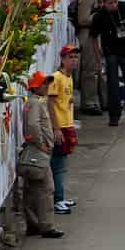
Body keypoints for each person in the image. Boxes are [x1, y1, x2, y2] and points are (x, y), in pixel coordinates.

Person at [20, 71, 63, 239]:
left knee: (32, 189)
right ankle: (46, 226)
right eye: (44, 84)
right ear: (36, 87)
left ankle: (34, 224)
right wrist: (41, 144)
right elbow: (32, 125)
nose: (47, 87)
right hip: (39, 151)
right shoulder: (36, 103)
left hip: (35, 150)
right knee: (46, 188)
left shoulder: (33, 102)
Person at [48, 45, 79, 215]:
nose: (74, 60)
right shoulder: (56, 78)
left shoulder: (68, 78)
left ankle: (60, 197)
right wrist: (56, 128)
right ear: (62, 59)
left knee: (62, 164)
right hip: (60, 128)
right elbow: (50, 104)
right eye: (71, 57)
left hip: (67, 126)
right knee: (57, 165)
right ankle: (57, 200)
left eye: (75, 57)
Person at [74, 0, 108, 115]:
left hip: (96, 34)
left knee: (98, 69)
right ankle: (89, 103)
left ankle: (101, 101)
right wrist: (100, 16)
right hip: (87, 36)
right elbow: (82, 19)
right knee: (90, 69)